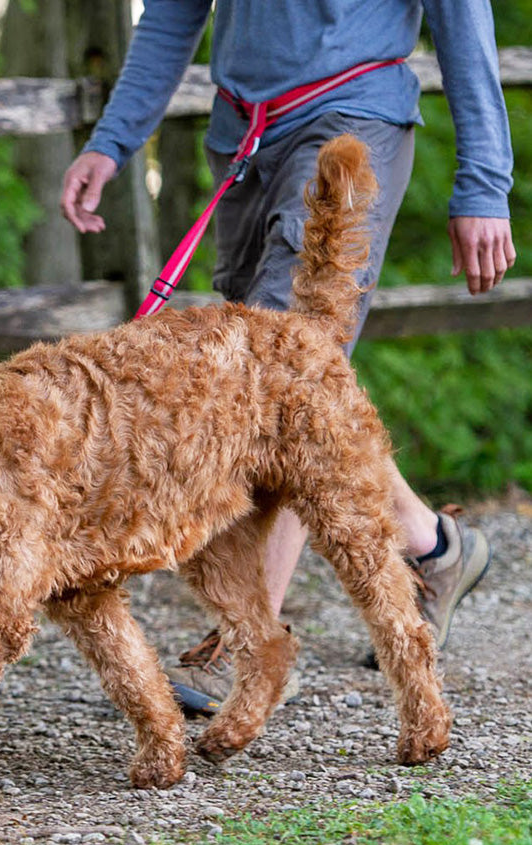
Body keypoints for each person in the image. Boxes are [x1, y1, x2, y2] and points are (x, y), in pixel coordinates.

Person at [61, 0, 516, 710]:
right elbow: (172, 15)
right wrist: (112, 140)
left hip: (352, 122)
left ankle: (249, 646)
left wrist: (484, 182)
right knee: (292, 387)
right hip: (243, 133)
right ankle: (432, 545)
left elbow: (463, 16)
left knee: (277, 395)